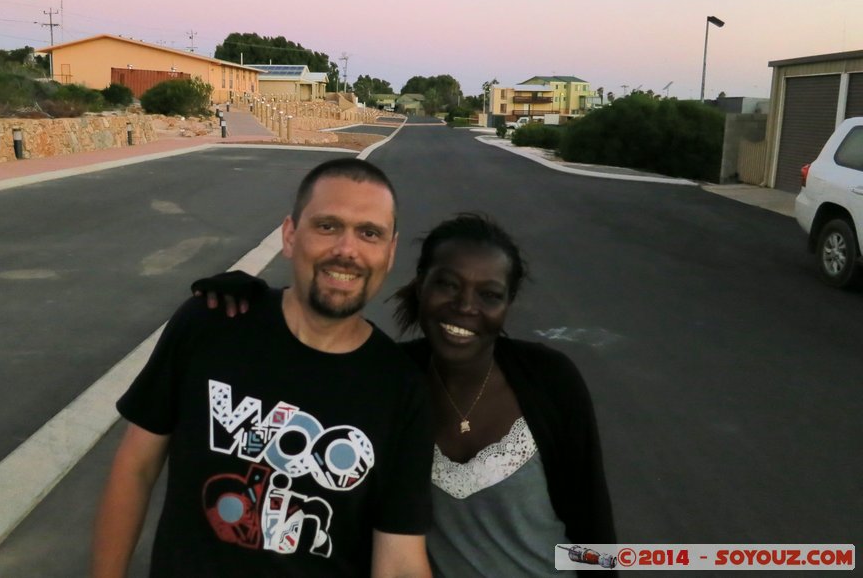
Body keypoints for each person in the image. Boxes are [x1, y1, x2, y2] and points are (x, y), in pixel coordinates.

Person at [197, 213, 614, 577]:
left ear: (507, 305)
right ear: (420, 286)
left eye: (489, 295)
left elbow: (592, 528)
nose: (465, 306)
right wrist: (256, 305)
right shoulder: (386, 379)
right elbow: (299, 379)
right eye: (447, 285)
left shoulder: (550, 382)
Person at [92, 158, 434, 578]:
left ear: (390, 251)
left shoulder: (401, 389)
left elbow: (399, 557)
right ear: (290, 235)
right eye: (327, 226)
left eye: (369, 233)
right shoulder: (210, 323)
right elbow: (135, 467)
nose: (347, 250)